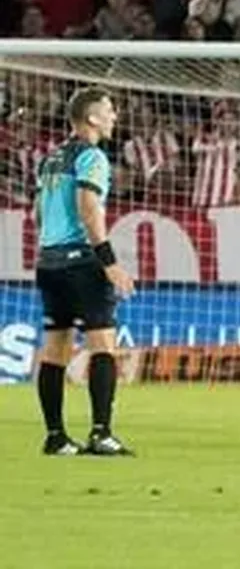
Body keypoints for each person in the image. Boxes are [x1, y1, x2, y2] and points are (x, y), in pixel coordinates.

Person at [34, 86, 135, 457]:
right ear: (91, 118)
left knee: (55, 348)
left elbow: (38, 212)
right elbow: (89, 207)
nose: (114, 116)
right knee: (103, 345)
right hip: (81, 262)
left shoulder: (51, 158)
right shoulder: (92, 157)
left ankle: (56, 436)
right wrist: (109, 263)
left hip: (49, 261)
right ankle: (101, 433)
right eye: (109, 110)